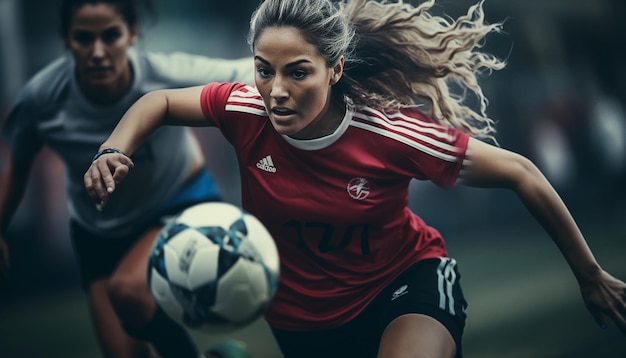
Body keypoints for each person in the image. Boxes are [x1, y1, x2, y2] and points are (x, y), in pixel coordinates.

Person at [83, 0, 626, 357]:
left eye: (298, 71)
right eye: (263, 68)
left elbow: (523, 174)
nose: (275, 90)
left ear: (335, 69)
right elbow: (156, 102)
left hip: (403, 284)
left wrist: (589, 274)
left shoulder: (393, 133)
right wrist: (114, 149)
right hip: (300, 321)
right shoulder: (242, 108)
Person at [0, 0, 253, 357]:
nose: (98, 51)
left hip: (177, 201)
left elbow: (251, 72)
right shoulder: (41, 98)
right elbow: (19, 163)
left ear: (132, 34)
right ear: (66, 40)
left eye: (111, 35)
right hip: (97, 230)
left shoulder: (167, 73)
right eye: (84, 38)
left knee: (129, 290)